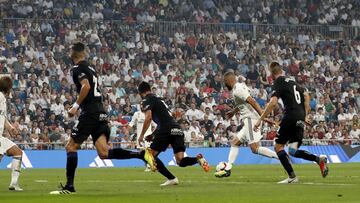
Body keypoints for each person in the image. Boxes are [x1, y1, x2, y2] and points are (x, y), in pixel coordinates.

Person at [50, 43, 155, 194]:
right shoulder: (91, 69)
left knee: (71, 146)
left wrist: (75, 106)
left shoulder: (77, 69)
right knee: (104, 153)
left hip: (90, 113)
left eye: (70, 50)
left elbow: (85, 87)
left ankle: (69, 187)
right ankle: (141, 154)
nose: (68, 53)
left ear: (75, 53)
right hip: (101, 112)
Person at [254, 62, 329, 184]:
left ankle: (292, 176)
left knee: (278, 147)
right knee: (293, 150)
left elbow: (273, 103)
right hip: (299, 117)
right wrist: (305, 113)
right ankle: (318, 159)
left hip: (290, 116)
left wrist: (260, 119)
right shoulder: (293, 82)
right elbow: (306, 95)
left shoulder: (278, 82)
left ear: (272, 73)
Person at [137, 81, 210, 186]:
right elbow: (166, 118)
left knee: (149, 156)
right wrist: (153, 135)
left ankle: (171, 178)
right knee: (180, 161)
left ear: (140, 92)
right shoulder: (160, 101)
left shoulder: (147, 100)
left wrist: (141, 136)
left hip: (166, 129)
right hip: (177, 128)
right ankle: (198, 159)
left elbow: (148, 118)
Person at [214, 71, 278, 178]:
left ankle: (280, 156)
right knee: (235, 142)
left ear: (230, 81)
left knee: (255, 148)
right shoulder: (238, 87)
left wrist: (263, 117)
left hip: (251, 120)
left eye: (225, 82)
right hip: (248, 120)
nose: (225, 84)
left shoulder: (238, 89)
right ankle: (228, 168)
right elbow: (243, 104)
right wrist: (234, 112)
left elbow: (252, 101)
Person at [0, 76, 24, 191]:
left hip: (1, 136)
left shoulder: (3, 99)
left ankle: (13, 184)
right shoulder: (0, 98)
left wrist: (10, 128)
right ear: (8, 88)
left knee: (17, 152)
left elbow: (2, 117)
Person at [127, 104, 156, 171]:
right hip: (140, 137)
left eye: (143, 105)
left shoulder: (150, 114)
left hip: (148, 136)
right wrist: (127, 130)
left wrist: (153, 134)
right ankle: (147, 165)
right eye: (141, 105)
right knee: (142, 152)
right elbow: (132, 123)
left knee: (148, 151)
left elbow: (154, 125)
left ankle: (149, 166)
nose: (142, 106)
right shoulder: (137, 114)